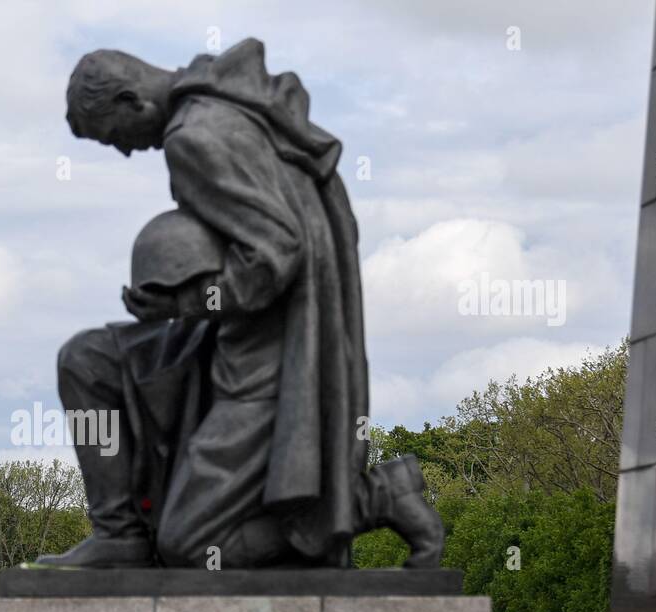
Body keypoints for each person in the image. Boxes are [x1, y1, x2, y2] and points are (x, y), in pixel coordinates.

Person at [36, 39, 441, 570]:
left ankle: (374, 498)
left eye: (116, 140)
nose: (128, 151)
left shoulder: (195, 136)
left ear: (132, 101)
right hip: (233, 334)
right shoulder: (222, 104)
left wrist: (184, 302)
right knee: (88, 360)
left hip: (267, 367)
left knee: (191, 548)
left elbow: (275, 254)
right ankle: (118, 532)